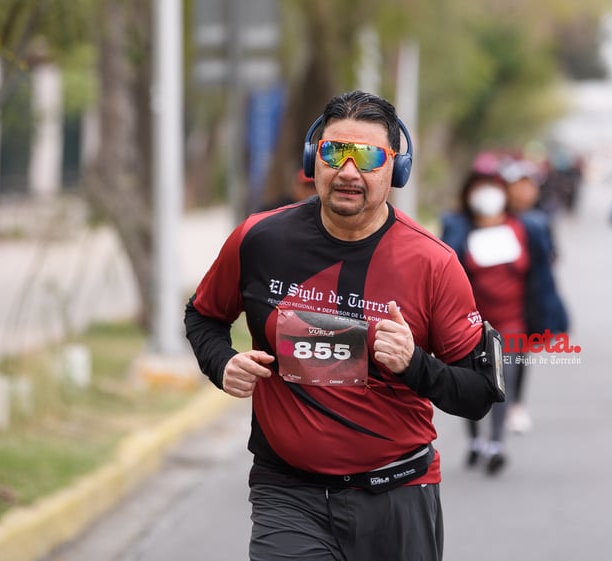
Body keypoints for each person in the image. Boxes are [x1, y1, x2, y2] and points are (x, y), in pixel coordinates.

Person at [184, 90, 504, 561]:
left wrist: (414, 365)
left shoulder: (433, 263)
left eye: (369, 157)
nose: (349, 172)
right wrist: (222, 362)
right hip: (288, 494)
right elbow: (203, 315)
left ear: (395, 169)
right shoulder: (260, 238)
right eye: (336, 153)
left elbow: (478, 395)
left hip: (397, 495)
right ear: (315, 159)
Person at [440, 155, 528, 475]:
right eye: (481, 187)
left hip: (513, 321)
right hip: (472, 323)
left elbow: (539, 275)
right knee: (472, 384)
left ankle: (496, 444)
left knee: (505, 380)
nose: (488, 193)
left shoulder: (523, 227)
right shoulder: (458, 228)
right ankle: (476, 440)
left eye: (493, 187)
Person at [502, 159, 569, 433]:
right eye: (517, 186)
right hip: (495, 295)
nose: (522, 192)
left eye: (528, 186)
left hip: (527, 297)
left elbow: (552, 255)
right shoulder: (492, 218)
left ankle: (516, 405)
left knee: (518, 353)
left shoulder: (541, 220)